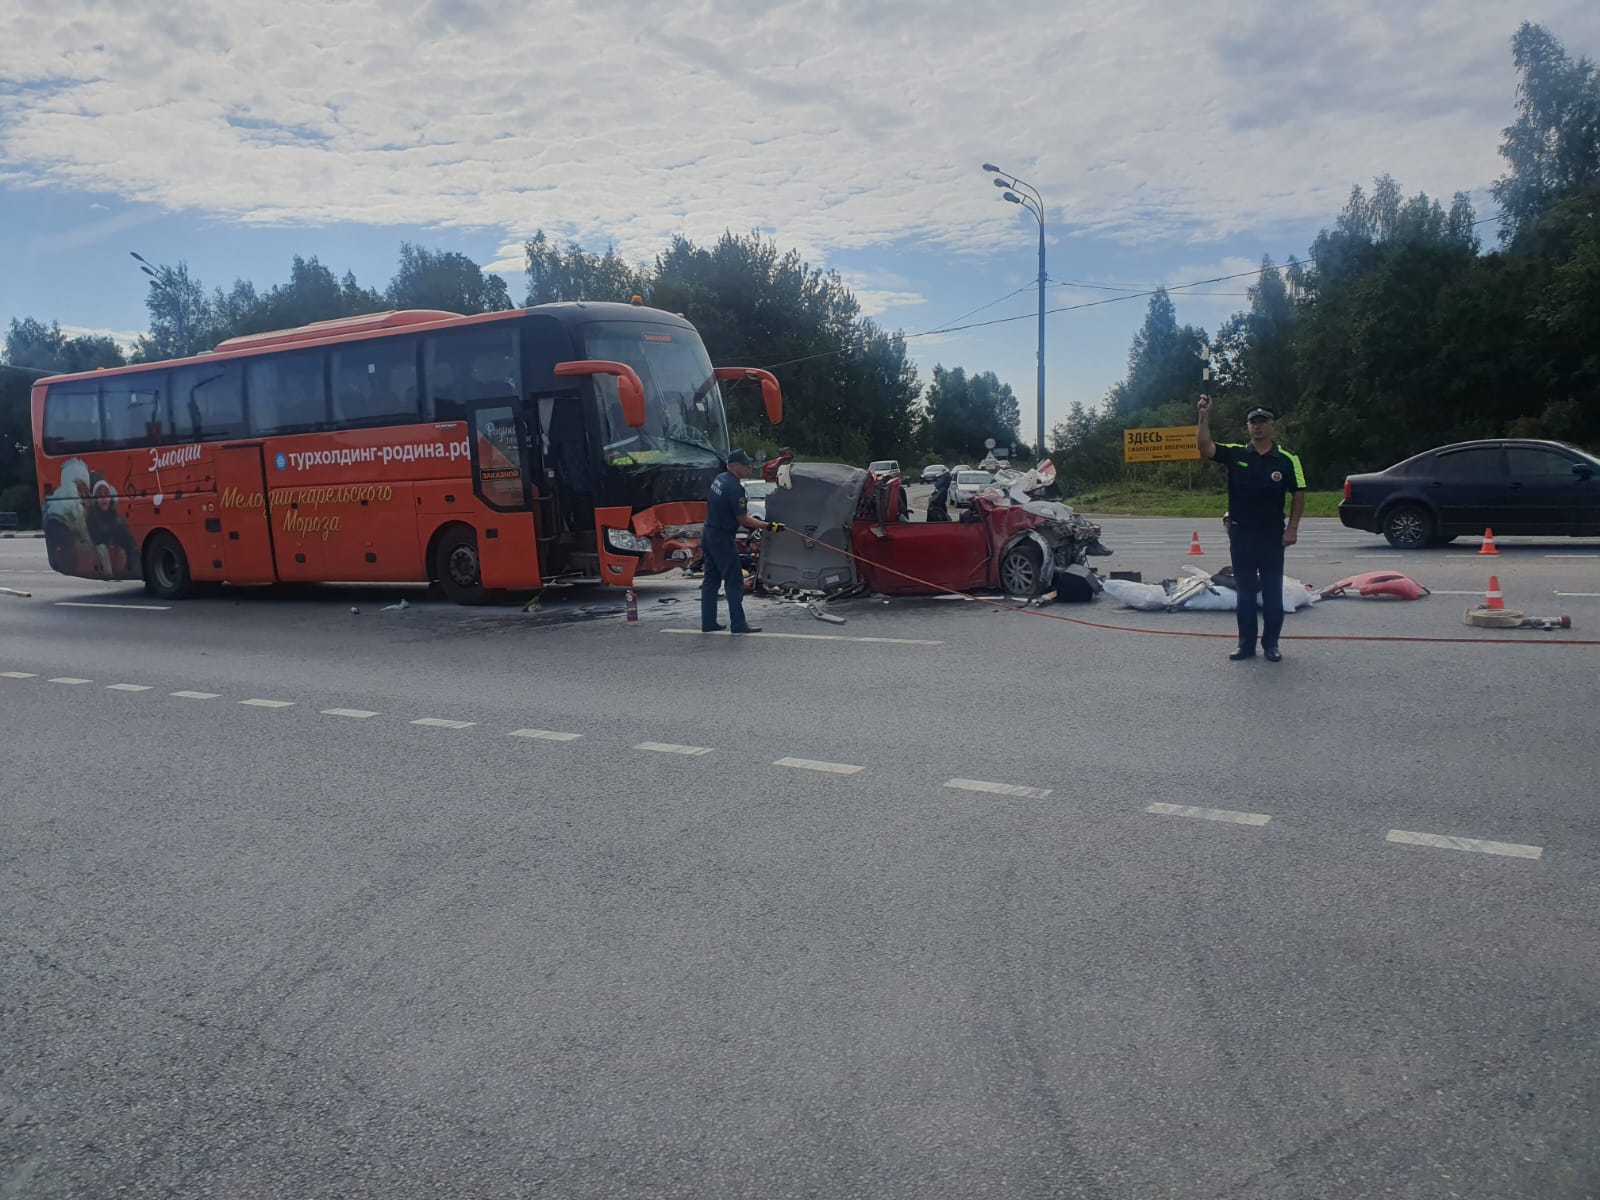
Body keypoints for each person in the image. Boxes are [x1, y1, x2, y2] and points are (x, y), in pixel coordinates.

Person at [1197, 397, 1306, 662]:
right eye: (1253, 423)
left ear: (1272, 426)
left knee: (1271, 593)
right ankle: (1245, 645)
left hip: (1271, 535)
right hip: (1241, 534)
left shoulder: (1288, 459)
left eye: (1262, 422)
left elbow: (1299, 494)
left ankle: (1271, 645)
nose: (1257, 427)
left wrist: (1292, 529)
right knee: (1245, 593)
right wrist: (1204, 416)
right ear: (1248, 427)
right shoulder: (1237, 453)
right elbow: (1204, 447)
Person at [701, 450, 782, 633]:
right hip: (722, 538)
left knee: (711, 580)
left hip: (709, 532)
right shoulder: (734, 488)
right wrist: (769, 526)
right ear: (733, 466)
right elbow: (743, 519)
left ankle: (708, 622)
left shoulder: (719, 479)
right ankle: (738, 624)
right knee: (734, 580)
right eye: (745, 464)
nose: (748, 467)